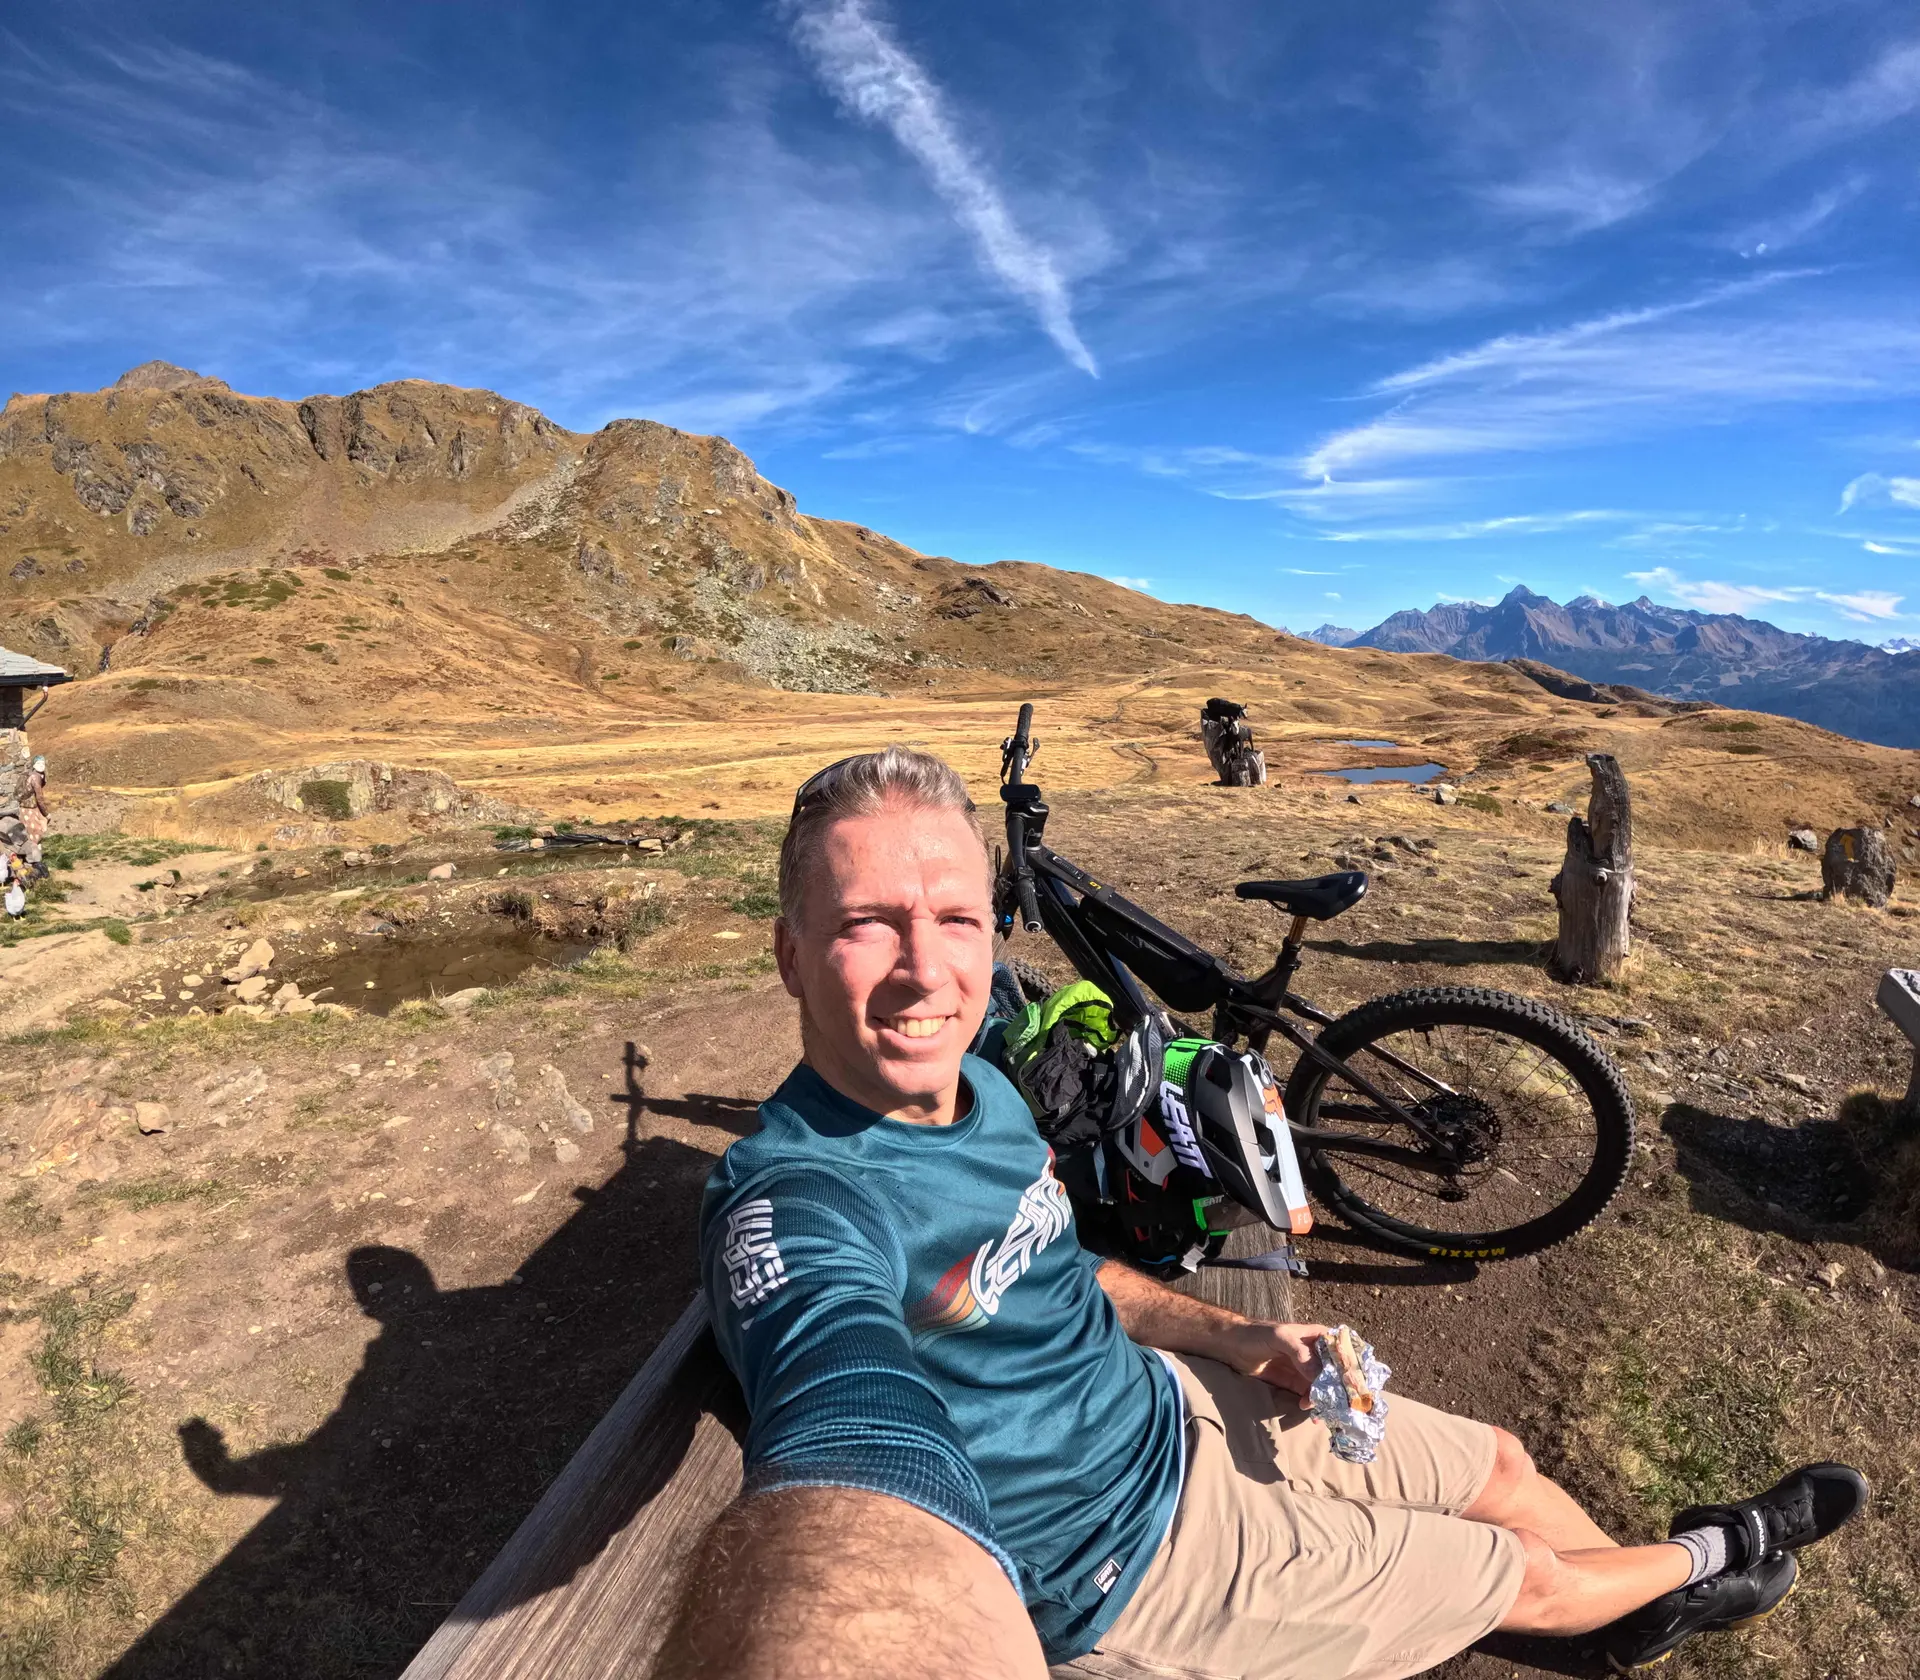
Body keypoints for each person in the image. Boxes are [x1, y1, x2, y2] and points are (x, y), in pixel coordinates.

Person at [653, 748, 1866, 1680]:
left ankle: (1627, 1613)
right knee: (1523, 1571)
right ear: (791, 953)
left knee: (1500, 1461)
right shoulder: (799, 1202)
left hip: (1170, 1407)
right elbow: (846, 1431)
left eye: (957, 919)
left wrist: (1241, 1336)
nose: (926, 969)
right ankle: (1714, 1554)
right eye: (868, 923)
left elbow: (1057, 1268)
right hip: (1128, 1561)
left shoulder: (979, 1088)